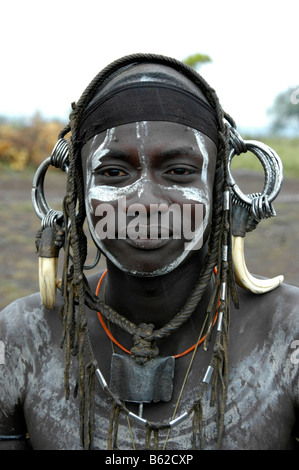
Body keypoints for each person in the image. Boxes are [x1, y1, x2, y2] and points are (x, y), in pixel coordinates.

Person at [0, 53, 298, 451]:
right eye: (113, 173)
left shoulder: (288, 334)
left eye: (178, 171)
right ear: (76, 194)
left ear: (218, 187)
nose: (144, 201)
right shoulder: (23, 335)